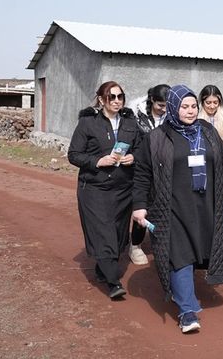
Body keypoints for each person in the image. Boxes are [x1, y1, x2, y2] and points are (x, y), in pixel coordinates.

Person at [131, 84, 223, 333]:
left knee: (199, 248)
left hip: (205, 204)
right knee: (180, 253)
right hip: (172, 206)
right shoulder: (157, 138)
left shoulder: (208, 131)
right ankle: (187, 311)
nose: (190, 111)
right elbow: (142, 174)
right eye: (184, 106)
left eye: (193, 106)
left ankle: (183, 295)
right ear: (172, 107)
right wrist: (139, 206)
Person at [67, 81, 142, 299]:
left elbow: (142, 148)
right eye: (112, 97)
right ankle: (113, 282)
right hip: (94, 188)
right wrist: (97, 161)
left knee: (118, 234)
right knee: (103, 232)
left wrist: (133, 157)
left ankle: (102, 268)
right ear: (101, 100)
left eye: (120, 97)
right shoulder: (88, 123)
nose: (117, 101)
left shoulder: (130, 122)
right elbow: (74, 154)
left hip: (123, 188)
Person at [128, 83, 170, 266]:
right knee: (142, 206)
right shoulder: (137, 117)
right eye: (160, 105)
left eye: (167, 106)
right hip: (142, 168)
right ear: (152, 100)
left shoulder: (172, 117)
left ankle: (164, 242)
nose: (164, 109)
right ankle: (135, 244)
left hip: (165, 170)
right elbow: (131, 141)